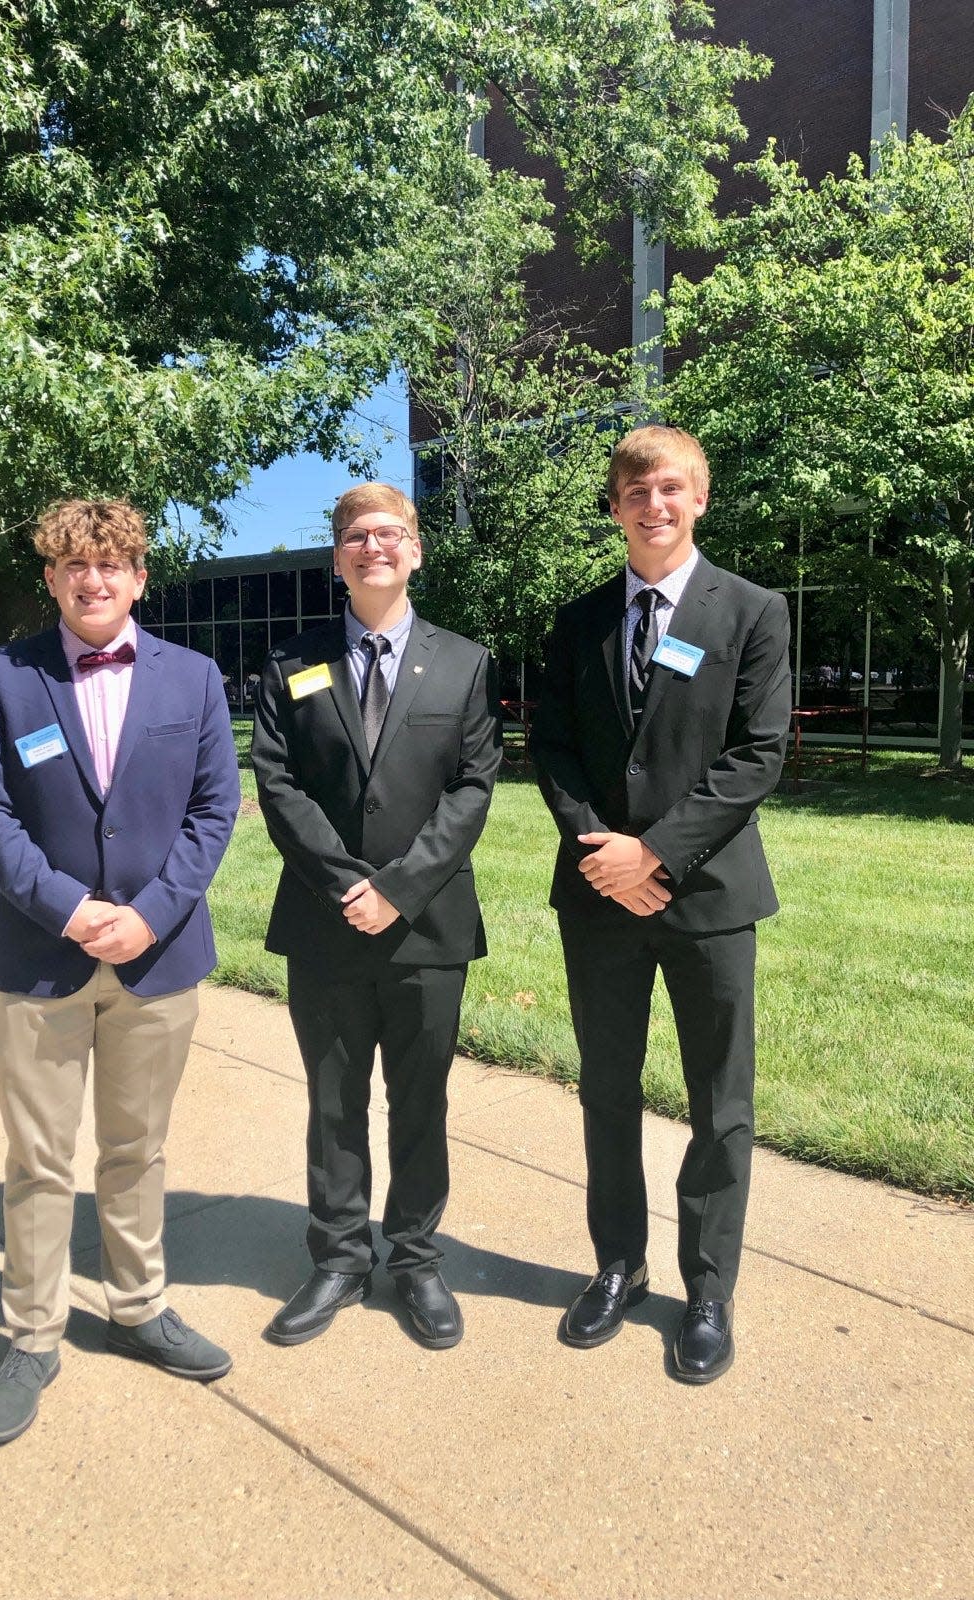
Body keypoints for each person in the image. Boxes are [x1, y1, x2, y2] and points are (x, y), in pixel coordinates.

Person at [0, 498, 240, 1446]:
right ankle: (33, 1336)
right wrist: (71, 910)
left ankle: (138, 1308)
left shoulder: (194, 680)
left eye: (112, 564)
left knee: (136, 1150)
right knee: (38, 1160)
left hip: (158, 962)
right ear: (52, 578)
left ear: (139, 577)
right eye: (76, 566)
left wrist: (150, 913)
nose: (94, 580)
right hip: (40, 957)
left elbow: (214, 812)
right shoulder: (5, 678)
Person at [531, 425, 791, 1385]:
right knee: (607, 1087)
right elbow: (550, 747)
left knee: (720, 1102)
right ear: (615, 507)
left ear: (700, 499)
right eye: (636, 490)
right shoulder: (578, 619)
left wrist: (660, 854)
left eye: (671, 488)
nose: (654, 504)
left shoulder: (754, 612)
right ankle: (617, 1264)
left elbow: (757, 752)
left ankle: (709, 1285)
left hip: (710, 897)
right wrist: (605, 850)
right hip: (600, 897)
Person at [251, 483, 501, 1350]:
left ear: (417, 550)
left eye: (390, 533)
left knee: (420, 1100)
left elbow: (472, 788)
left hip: (428, 926)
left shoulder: (465, 663)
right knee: (332, 1100)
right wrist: (344, 884)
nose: (374, 547)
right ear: (337, 559)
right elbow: (276, 784)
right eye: (357, 536)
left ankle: (415, 1258)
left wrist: (399, 886)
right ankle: (339, 1258)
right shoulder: (294, 662)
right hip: (324, 924)